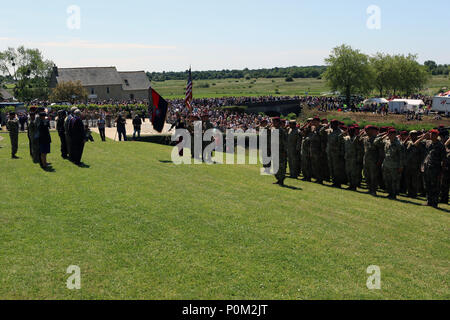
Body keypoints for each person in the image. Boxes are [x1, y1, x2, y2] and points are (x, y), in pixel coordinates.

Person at [415, 130, 446, 208]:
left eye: (432, 134)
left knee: (435, 187)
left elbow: (443, 160)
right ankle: (429, 201)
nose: (430, 136)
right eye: (430, 134)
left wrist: (441, 172)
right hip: (426, 168)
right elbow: (415, 144)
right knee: (427, 186)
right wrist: (423, 137)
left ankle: (434, 203)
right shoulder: (428, 143)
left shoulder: (440, 145)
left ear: (436, 135)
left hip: (435, 170)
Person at [380, 129, 405, 200]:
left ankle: (393, 194)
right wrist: (383, 136)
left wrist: (401, 166)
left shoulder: (399, 144)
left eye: (391, 134)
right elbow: (377, 142)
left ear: (394, 134)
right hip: (386, 164)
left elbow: (401, 157)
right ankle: (389, 193)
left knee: (394, 181)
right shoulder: (387, 142)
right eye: (388, 134)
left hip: (394, 166)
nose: (389, 136)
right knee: (387, 180)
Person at [272, 117, 287, 186]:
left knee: (281, 166)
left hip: (280, 151)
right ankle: (278, 179)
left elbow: (285, 142)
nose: (273, 123)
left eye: (275, 122)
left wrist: (284, 150)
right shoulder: (274, 130)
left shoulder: (281, 131)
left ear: (278, 123)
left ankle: (281, 180)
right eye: (273, 122)